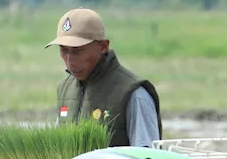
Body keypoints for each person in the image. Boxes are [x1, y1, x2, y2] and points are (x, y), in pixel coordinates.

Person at [48, 8, 161, 147]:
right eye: (64, 50)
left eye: (78, 51)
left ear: (103, 46)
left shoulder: (134, 95)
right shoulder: (65, 90)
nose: (70, 60)